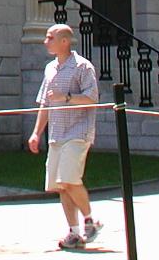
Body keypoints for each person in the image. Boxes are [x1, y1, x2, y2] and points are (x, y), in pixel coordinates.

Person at [28, 24, 103, 251]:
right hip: (57, 134)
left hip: (78, 132)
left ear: (64, 41)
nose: (45, 41)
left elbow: (92, 97)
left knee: (70, 179)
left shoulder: (82, 67)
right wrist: (36, 133)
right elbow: (45, 104)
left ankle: (91, 221)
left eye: (50, 37)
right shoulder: (50, 68)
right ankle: (74, 232)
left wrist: (66, 97)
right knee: (61, 185)